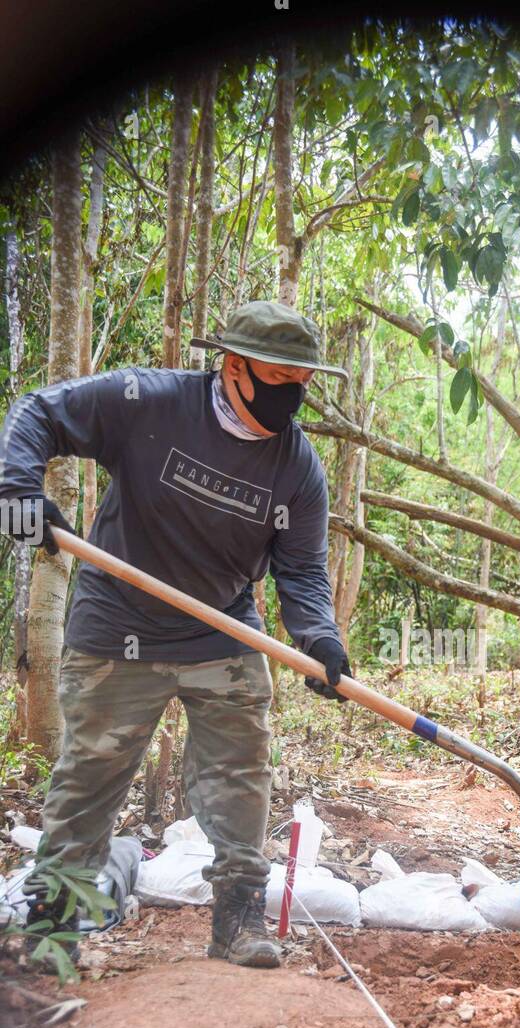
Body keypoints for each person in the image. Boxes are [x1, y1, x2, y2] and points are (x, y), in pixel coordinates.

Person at [0, 300, 351, 968]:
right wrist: (17, 488)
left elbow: (301, 571)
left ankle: (239, 921)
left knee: (242, 774)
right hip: (117, 626)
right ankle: (52, 925)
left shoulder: (297, 468)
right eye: (280, 378)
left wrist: (318, 639)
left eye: (302, 381)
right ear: (234, 367)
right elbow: (38, 410)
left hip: (221, 632)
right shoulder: (146, 402)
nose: (294, 395)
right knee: (90, 775)